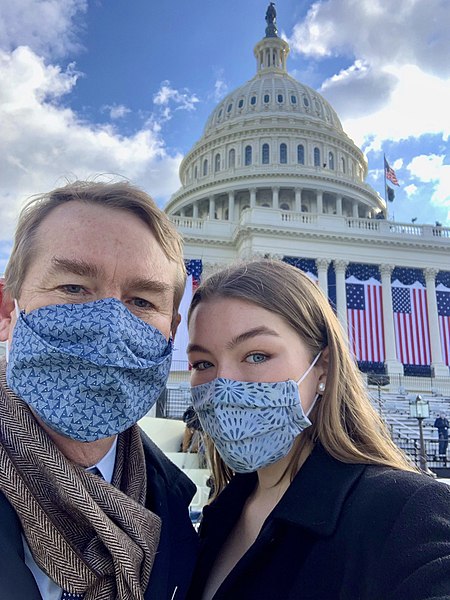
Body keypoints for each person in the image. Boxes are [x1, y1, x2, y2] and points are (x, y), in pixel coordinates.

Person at [185, 259, 450, 600]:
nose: (223, 386)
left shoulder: (405, 512)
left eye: (256, 356)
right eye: (203, 363)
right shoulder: (219, 515)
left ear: (322, 366)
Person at [0, 181, 198, 600]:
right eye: (73, 287)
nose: (109, 327)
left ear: (171, 331)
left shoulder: (175, 506)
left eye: (142, 301)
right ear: (6, 310)